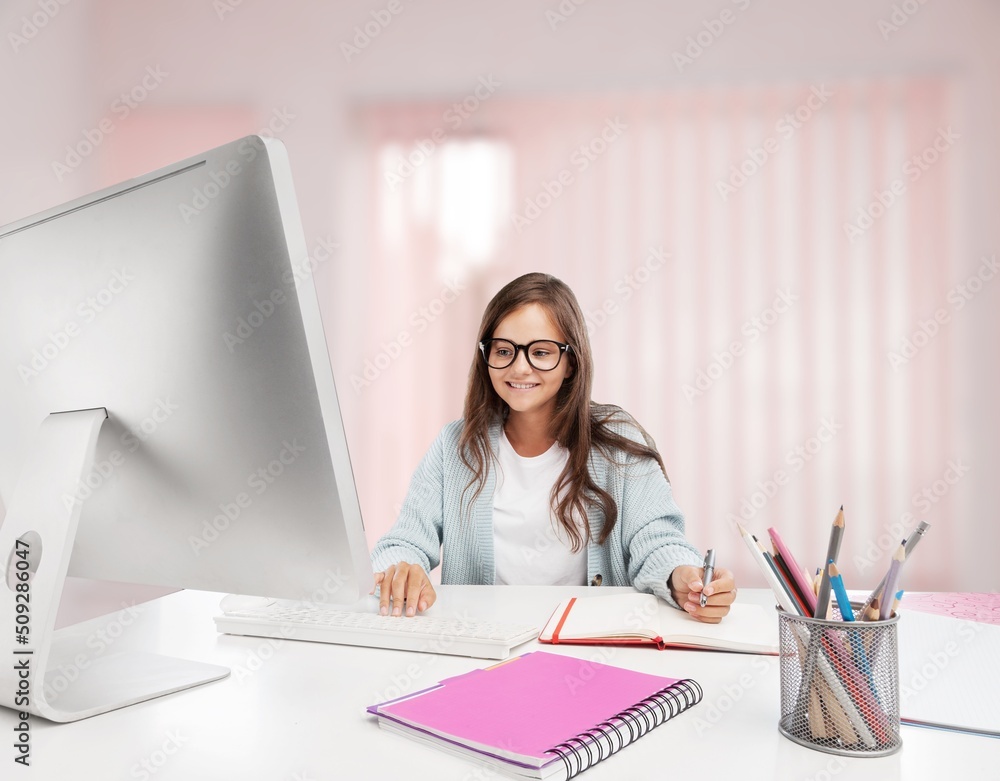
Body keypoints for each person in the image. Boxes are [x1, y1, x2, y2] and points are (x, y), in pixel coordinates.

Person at [371, 272, 736, 622]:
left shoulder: (618, 443)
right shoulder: (456, 446)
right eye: (503, 351)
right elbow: (403, 543)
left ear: (571, 363)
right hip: (485, 649)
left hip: (586, 650)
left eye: (541, 352)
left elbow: (656, 540)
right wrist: (403, 571)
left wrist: (684, 577)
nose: (519, 368)